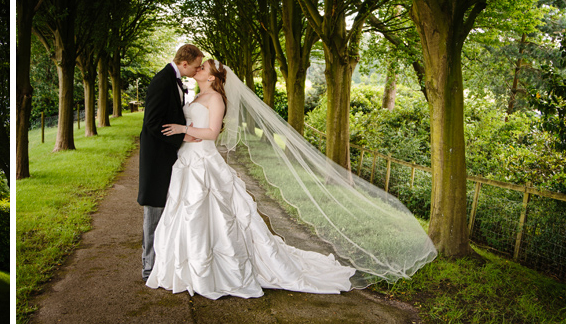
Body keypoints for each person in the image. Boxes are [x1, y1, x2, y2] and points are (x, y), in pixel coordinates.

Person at [146, 59, 437, 299]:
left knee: (217, 216)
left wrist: (185, 131)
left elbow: (212, 133)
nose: (197, 70)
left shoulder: (217, 99)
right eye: (197, 68)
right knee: (185, 215)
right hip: (187, 163)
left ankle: (219, 268)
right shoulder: (195, 95)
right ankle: (189, 266)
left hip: (205, 163)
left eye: (202, 68)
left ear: (212, 77)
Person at [137, 44, 204, 281]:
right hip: (156, 158)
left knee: (165, 210)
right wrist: (183, 135)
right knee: (154, 211)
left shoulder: (173, 80)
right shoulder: (162, 81)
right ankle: (148, 267)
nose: (198, 71)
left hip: (167, 156)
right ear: (184, 63)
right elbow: (152, 124)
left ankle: (159, 262)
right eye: (196, 66)